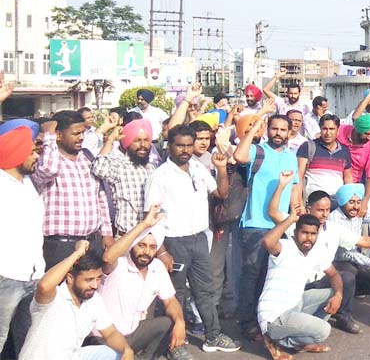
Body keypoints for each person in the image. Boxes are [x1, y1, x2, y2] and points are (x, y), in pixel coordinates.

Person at [144, 125, 240, 353]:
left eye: (189, 145)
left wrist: (221, 169)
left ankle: (213, 336)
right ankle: (172, 344)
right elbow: (152, 218)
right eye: (180, 145)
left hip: (199, 239)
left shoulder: (197, 167)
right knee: (173, 295)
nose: (185, 150)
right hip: (173, 242)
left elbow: (221, 193)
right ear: (170, 146)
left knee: (204, 291)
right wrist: (162, 251)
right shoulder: (159, 176)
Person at [268, 178, 370, 335]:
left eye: (327, 210)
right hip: (302, 285)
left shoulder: (333, 229)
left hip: (324, 276)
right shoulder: (297, 225)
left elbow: (363, 240)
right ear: (309, 208)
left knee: (361, 279)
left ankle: (338, 305)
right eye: (320, 210)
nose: (325, 214)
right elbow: (273, 212)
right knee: (346, 277)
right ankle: (342, 316)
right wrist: (281, 185)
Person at [232, 103, 301, 341]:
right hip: (254, 225)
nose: (278, 133)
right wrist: (258, 120)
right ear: (268, 129)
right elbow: (239, 156)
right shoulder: (258, 151)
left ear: (290, 132)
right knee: (252, 274)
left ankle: (266, 320)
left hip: (281, 225)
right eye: (274, 129)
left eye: (283, 129)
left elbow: (294, 190)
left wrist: (296, 216)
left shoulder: (291, 158)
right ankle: (248, 322)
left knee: (272, 276)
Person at [99, 206, 192, 360]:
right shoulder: (118, 265)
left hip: (132, 335)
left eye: (152, 247)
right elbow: (107, 258)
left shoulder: (157, 267)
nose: (146, 252)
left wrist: (180, 322)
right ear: (132, 246)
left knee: (168, 323)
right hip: (105, 340)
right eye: (141, 245)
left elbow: (170, 301)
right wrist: (144, 225)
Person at [19, 242, 134, 360]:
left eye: (98, 278)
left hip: (73, 356)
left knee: (119, 354)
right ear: (70, 278)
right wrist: (77, 253)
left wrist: (127, 350)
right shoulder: (54, 297)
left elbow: (110, 334)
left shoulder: (94, 300)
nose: (95, 285)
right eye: (89, 280)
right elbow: (44, 286)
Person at [31, 111, 114, 269]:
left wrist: (107, 232)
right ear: (59, 135)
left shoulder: (87, 158)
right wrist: (49, 135)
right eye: (76, 133)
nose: (81, 137)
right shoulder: (45, 160)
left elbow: (100, 196)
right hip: (59, 245)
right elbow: (49, 170)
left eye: (82, 132)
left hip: (91, 241)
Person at [259, 211, 343, 360]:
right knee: (323, 331)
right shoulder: (284, 247)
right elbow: (267, 242)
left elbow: (334, 274)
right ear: (296, 232)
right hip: (275, 315)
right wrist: (290, 219)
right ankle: (278, 341)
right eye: (304, 233)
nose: (309, 238)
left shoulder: (316, 251)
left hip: (295, 304)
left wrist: (338, 295)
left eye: (313, 234)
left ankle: (299, 340)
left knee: (331, 294)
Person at [0, 122, 44, 352]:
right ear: (16, 152)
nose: (37, 156)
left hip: (32, 275)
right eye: (32, 152)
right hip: (6, 275)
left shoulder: (27, 183)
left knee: (27, 340)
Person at [92, 119, 157, 235]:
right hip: (125, 235)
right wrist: (111, 139)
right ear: (127, 142)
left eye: (146, 140)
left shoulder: (152, 168)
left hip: (150, 237)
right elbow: (98, 168)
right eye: (137, 140)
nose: (143, 145)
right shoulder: (119, 165)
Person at [297, 114, 352, 200]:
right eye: (325, 129)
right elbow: (298, 177)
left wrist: (348, 199)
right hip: (313, 202)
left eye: (332, 129)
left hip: (337, 201)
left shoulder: (345, 150)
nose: (328, 133)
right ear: (320, 128)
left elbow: (348, 178)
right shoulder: (308, 147)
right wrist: (300, 203)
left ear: (338, 129)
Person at [337, 114, 370, 217]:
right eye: (366, 134)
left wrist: (365, 201)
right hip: (333, 182)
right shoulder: (341, 131)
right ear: (358, 129)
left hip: (351, 193)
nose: (369, 138)